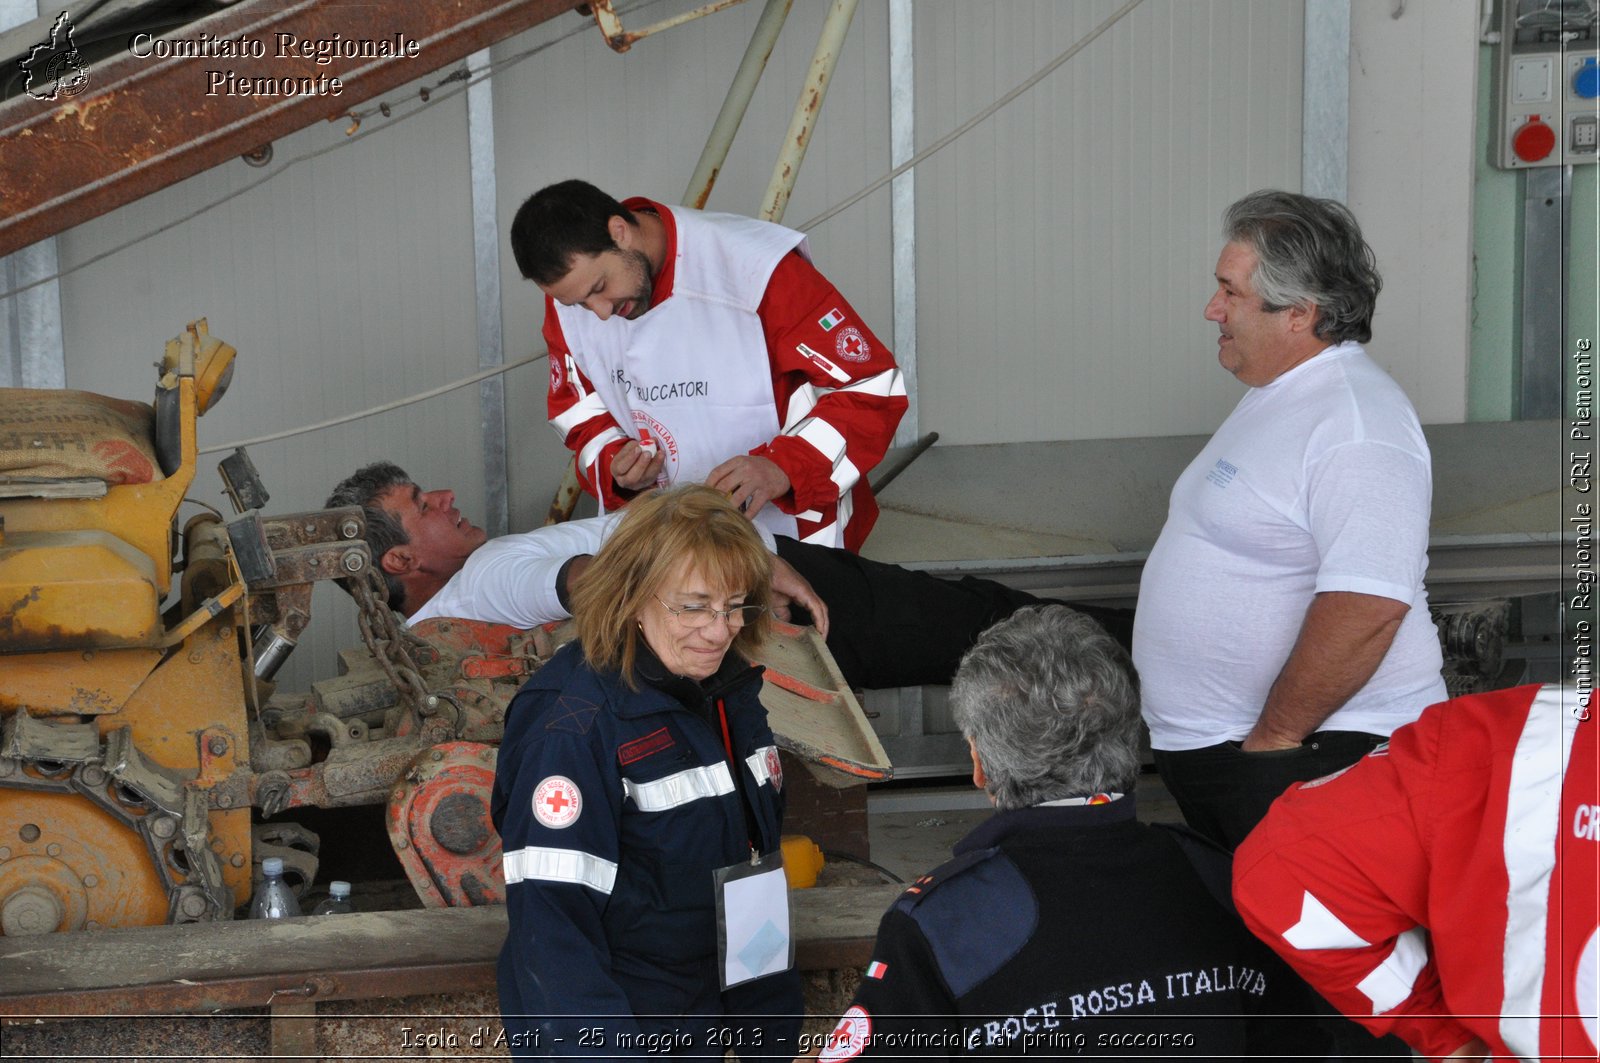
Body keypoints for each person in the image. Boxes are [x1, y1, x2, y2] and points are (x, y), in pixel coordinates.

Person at [813, 606, 1318, 1061]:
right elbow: (1299, 1045)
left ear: (979, 764)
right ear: (1128, 736)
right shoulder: (1220, 875)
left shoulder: (942, 920)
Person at [1132, 189, 1447, 852]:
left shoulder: (1359, 423)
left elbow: (1368, 603)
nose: (1212, 310)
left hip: (1315, 757)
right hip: (1255, 755)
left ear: (1300, 313)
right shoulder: (1286, 392)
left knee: (1316, 951)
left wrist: (1274, 738)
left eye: (1231, 293)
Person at [325, 462, 1133, 690]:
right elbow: (593, 580)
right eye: (421, 503)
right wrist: (755, 564)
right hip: (778, 599)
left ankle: (1153, 648)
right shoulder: (490, 575)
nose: (447, 497)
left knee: (986, 627)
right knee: (996, 629)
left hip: (754, 606)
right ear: (399, 560)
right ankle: (1165, 652)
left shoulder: (418, 639)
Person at [491, 485, 800, 1058]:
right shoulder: (573, 727)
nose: (720, 629)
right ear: (631, 595)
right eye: (694, 606)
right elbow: (553, 931)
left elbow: (753, 865)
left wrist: (771, 1035)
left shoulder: (728, 691)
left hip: (728, 1015)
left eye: (735, 606)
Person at [509, 179, 906, 552]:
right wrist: (615, 463)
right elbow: (576, 412)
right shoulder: (573, 291)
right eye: (578, 304)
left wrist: (781, 467)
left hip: (795, 538)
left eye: (599, 288)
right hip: (665, 545)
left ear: (619, 232)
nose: (598, 313)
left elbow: (871, 386)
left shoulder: (753, 266)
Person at [1233, 684, 1596, 1061]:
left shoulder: (1542, 734)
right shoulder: (1533, 738)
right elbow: (1286, 868)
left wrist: (1446, 1036)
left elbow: (1282, 871)